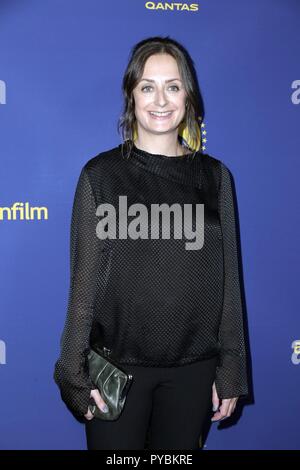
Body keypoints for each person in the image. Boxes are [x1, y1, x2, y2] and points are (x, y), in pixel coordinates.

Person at [53, 36, 250, 450]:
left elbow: (229, 283)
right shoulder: (100, 176)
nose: (161, 99)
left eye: (173, 86)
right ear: (131, 96)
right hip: (115, 371)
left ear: (188, 97)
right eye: (148, 86)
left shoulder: (216, 178)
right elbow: (83, 286)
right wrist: (71, 370)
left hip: (194, 371)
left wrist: (231, 366)